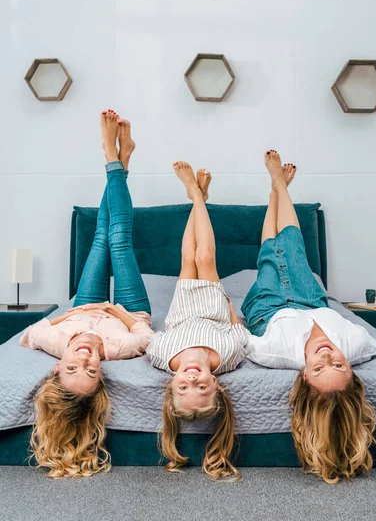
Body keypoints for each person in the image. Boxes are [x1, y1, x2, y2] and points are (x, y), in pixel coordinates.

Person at [20, 110, 153, 478]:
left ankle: (122, 159)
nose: (84, 359)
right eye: (91, 370)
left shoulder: (54, 343)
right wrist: (116, 310)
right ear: (101, 373)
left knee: (99, 235)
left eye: (73, 368)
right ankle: (113, 158)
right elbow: (146, 336)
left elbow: (31, 332)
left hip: (82, 308)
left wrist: (71, 316)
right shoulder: (117, 350)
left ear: (58, 368)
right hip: (128, 309)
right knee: (118, 239)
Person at [242, 150, 376, 484]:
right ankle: (279, 188)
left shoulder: (277, 354)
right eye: (339, 366)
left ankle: (277, 189)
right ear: (352, 369)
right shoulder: (358, 345)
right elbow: (373, 345)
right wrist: (348, 356)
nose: (328, 356)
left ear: (304, 376)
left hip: (270, 307)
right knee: (284, 249)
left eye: (319, 369)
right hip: (313, 301)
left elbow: (242, 341)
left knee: (274, 256)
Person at [146, 161, 249, 480]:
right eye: (201, 385)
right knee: (204, 257)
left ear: (171, 386)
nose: (192, 378)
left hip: (183, 307)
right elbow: (238, 331)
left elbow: (157, 333)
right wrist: (228, 302)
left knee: (187, 254)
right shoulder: (227, 359)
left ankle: (198, 197)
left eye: (184, 386)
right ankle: (196, 194)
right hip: (212, 306)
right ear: (214, 384)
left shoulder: (162, 359)